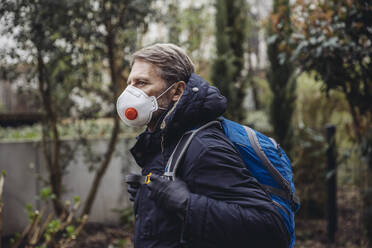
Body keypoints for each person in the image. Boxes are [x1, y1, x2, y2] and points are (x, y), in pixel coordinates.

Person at [117, 43, 289, 248]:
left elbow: (272, 230)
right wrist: (149, 200)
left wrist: (186, 204)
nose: (130, 92)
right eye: (130, 83)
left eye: (142, 83)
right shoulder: (165, 140)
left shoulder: (204, 147)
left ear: (177, 91)